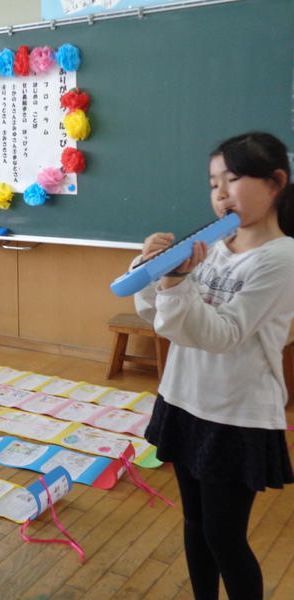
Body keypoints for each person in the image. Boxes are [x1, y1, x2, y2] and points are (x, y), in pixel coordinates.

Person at [134, 132, 294, 600]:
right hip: (184, 400)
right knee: (194, 523)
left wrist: (177, 284)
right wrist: (153, 270)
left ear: (275, 183)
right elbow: (161, 317)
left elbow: (223, 334)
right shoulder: (214, 247)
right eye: (212, 183)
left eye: (233, 178)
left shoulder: (283, 258)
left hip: (235, 415)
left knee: (225, 537)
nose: (220, 193)